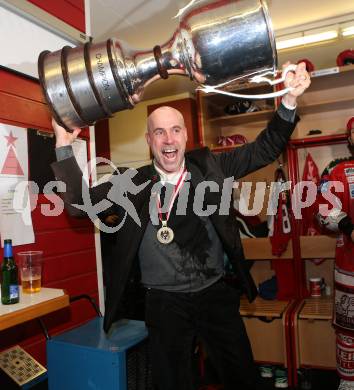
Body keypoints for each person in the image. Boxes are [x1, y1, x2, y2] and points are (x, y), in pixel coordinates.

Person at [50, 62, 310, 390]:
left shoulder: (212, 166)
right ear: (149, 140)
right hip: (163, 303)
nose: (168, 139)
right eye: (159, 132)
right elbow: (77, 205)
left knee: (242, 376)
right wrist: (63, 143)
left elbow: (265, 149)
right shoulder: (130, 183)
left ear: (186, 135)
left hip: (214, 293)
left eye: (175, 130)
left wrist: (287, 102)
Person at [316, 118, 354, 390]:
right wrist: (347, 224)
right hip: (349, 267)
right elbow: (323, 212)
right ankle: (348, 380)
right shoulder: (340, 171)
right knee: (348, 328)